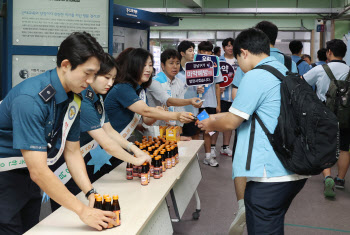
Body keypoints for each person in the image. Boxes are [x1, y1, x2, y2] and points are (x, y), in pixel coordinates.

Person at [0, 32, 117, 234]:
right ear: (65, 65)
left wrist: (90, 193)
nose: (90, 81)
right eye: (87, 73)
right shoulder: (30, 99)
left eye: (95, 74)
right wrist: (82, 211)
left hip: (29, 177)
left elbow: (72, 152)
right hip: (5, 178)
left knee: (32, 229)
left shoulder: (74, 97)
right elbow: (38, 171)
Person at [198, 28, 307, 234]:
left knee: (262, 228)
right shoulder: (284, 70)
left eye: (238, 58)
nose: (239, 64)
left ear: (244, 52)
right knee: (273, 223)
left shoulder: (256, 76)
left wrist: (209, 124)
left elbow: (232, 121)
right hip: (293, 166)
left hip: (270, 174)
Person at [50, 53, 152, 211]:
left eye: (113, 78)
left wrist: (134, 149)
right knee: (67, 212)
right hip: (64, 165)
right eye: (106, 77)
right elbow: (106, 143)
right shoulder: (82, 99)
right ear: (91, 75)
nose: (110, 83)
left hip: (80, 161)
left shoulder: (97, 97)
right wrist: (135, 159)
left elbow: (109, 130)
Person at [228, 20, 299, 235]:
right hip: (289, 147)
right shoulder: (288, 62)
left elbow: (236, 105)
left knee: (242, 163)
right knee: (273, 216)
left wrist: (211, 121)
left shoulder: (254, 69)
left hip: (264, 155)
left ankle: (242, 205)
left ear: (244, 51)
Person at [105, 48, 194, 135]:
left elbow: (146, 120)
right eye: (143, 65)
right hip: (108, 142)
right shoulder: (123, 88)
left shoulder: (140, 90)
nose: (148, 69)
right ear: (133, 67)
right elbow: (146, 111)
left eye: (150, 65)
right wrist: (177, 116)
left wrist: (156, 112)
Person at [303, 39, 350, 197]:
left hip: (324, 112)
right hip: (345, 114)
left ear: (329, 52)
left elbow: (302, 82)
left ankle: (328, 176)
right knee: (344, 147)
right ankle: (341, 179)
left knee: (325, 144)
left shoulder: (320, 69)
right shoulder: (349, 69)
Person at [146, 49, 202, 129]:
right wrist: (190, 101)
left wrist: (179, 128)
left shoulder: (179, 83)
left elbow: (178, 107)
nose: (175, 66)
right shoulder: (155, 82)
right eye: (171, 63)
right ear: (163, 65)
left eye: (177, 63)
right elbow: (168, 101)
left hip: (172, 128)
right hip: (155, 127)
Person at [197, 41, 224, 167]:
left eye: (207, 51)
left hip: (211, 103)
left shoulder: (216, 67)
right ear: (199, 52)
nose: (205, 54)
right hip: (197, 104)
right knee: (201, 130)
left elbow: (218, 87)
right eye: (202, 51)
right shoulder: (193, 67)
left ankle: (209, 153)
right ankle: (203, 155)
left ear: (211, 53)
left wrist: (218, 104)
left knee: (210, 129)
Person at [212, 37, 236, 158]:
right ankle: (212, 147)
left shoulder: (239, 61)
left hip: (234, 97)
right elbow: (213, 79)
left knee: (229, 123)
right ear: (223, 48)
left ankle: (225, 147)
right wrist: (218, 86)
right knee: (217, 122)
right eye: (228, 46)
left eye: (232, 45)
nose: (230, 48)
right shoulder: (218, 61)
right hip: (220, 97)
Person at [176, 40, 203, 139]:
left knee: (194, 135)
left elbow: (198, 89)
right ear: (182, 53)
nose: (193, 53)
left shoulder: (195, 69)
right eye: (190, 51)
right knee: (181, 138)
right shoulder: (176, 71)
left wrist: (199, 90)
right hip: (179, 112)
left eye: (193, 51)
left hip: (193, 110)